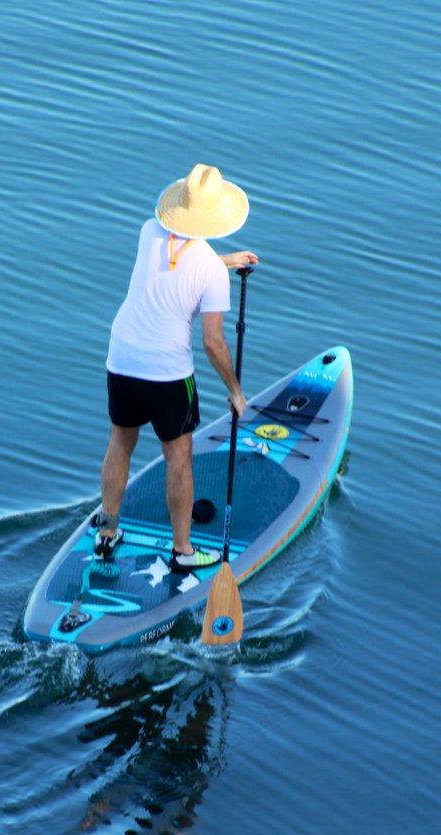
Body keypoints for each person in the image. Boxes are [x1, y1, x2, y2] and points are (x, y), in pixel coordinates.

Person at [94, 163, 259, 572]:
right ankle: (183, 551)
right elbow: (213, 343)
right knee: (178, 458)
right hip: (166, 372)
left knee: (121, 440)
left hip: (121, 356)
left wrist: (224, 261)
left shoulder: (149, 232)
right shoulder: (209, 273)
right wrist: (236, 393)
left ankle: (107, 533)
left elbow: (179, 259)